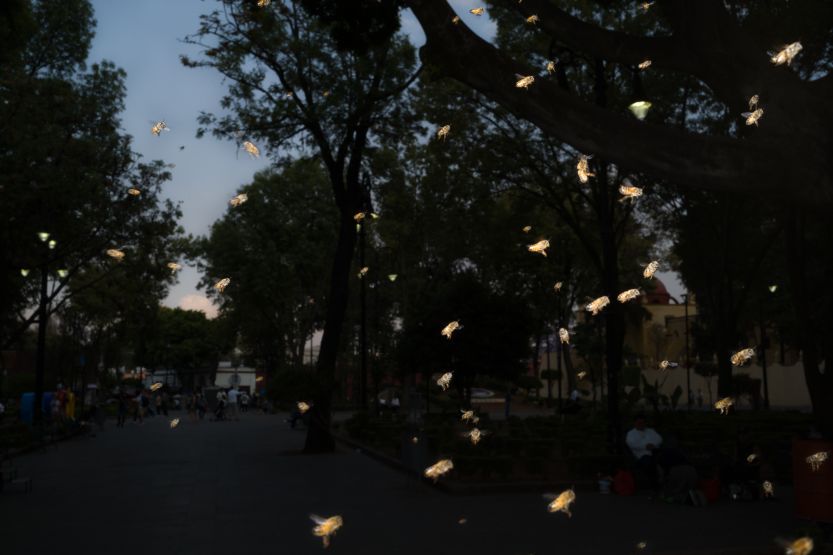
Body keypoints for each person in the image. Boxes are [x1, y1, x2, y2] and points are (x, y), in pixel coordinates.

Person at [626, 414, 663, 488]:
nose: (641, 424)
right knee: (649, 463)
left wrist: (653, 444)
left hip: (655, 452)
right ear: (635, 423)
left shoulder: (651, 431)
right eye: (639, 423)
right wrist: (645, 446)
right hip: (641, 455)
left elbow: (659, 439)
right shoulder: (631, 433)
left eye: (643, 423)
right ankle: (655, 484)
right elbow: (632, 444)